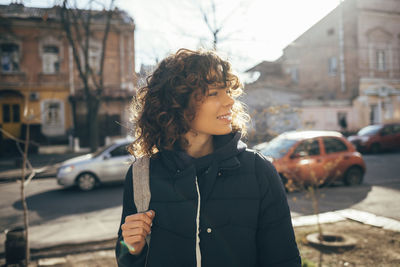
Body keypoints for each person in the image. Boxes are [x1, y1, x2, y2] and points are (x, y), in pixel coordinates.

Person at [115, 48, 301, 267]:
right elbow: (126, 256)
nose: (230, 101)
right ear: (177, 103)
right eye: (214, 92)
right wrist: (132, 250)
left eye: (228, 91)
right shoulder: (141, 175)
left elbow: (284, 260)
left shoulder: (259, 171)